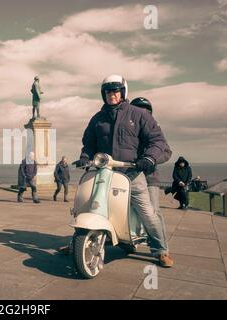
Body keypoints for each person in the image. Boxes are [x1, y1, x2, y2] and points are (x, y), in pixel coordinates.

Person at [72, 74, 173, 268]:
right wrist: (86, 156)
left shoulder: (138, 114)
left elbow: (157, 140)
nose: (112, 95)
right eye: (108, 91)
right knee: (88, 204)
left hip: (132, 173)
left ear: (123, 92)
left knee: (148, 213)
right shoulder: (98, 118)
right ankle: (78, 241)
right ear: (103, 94)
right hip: (104, 172)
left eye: (116, 90)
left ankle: (161, 251)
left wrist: (148, 158)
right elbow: (88, 143)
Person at [131, 97, 172, 250]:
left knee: (153, 212)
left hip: (149, 177)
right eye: (139, 109)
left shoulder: (154, 127)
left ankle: (161, 249)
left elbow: (166, 151)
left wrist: (150, 159)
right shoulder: (128, 127)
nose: (143, 113)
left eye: (146, 110)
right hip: (127, 174)